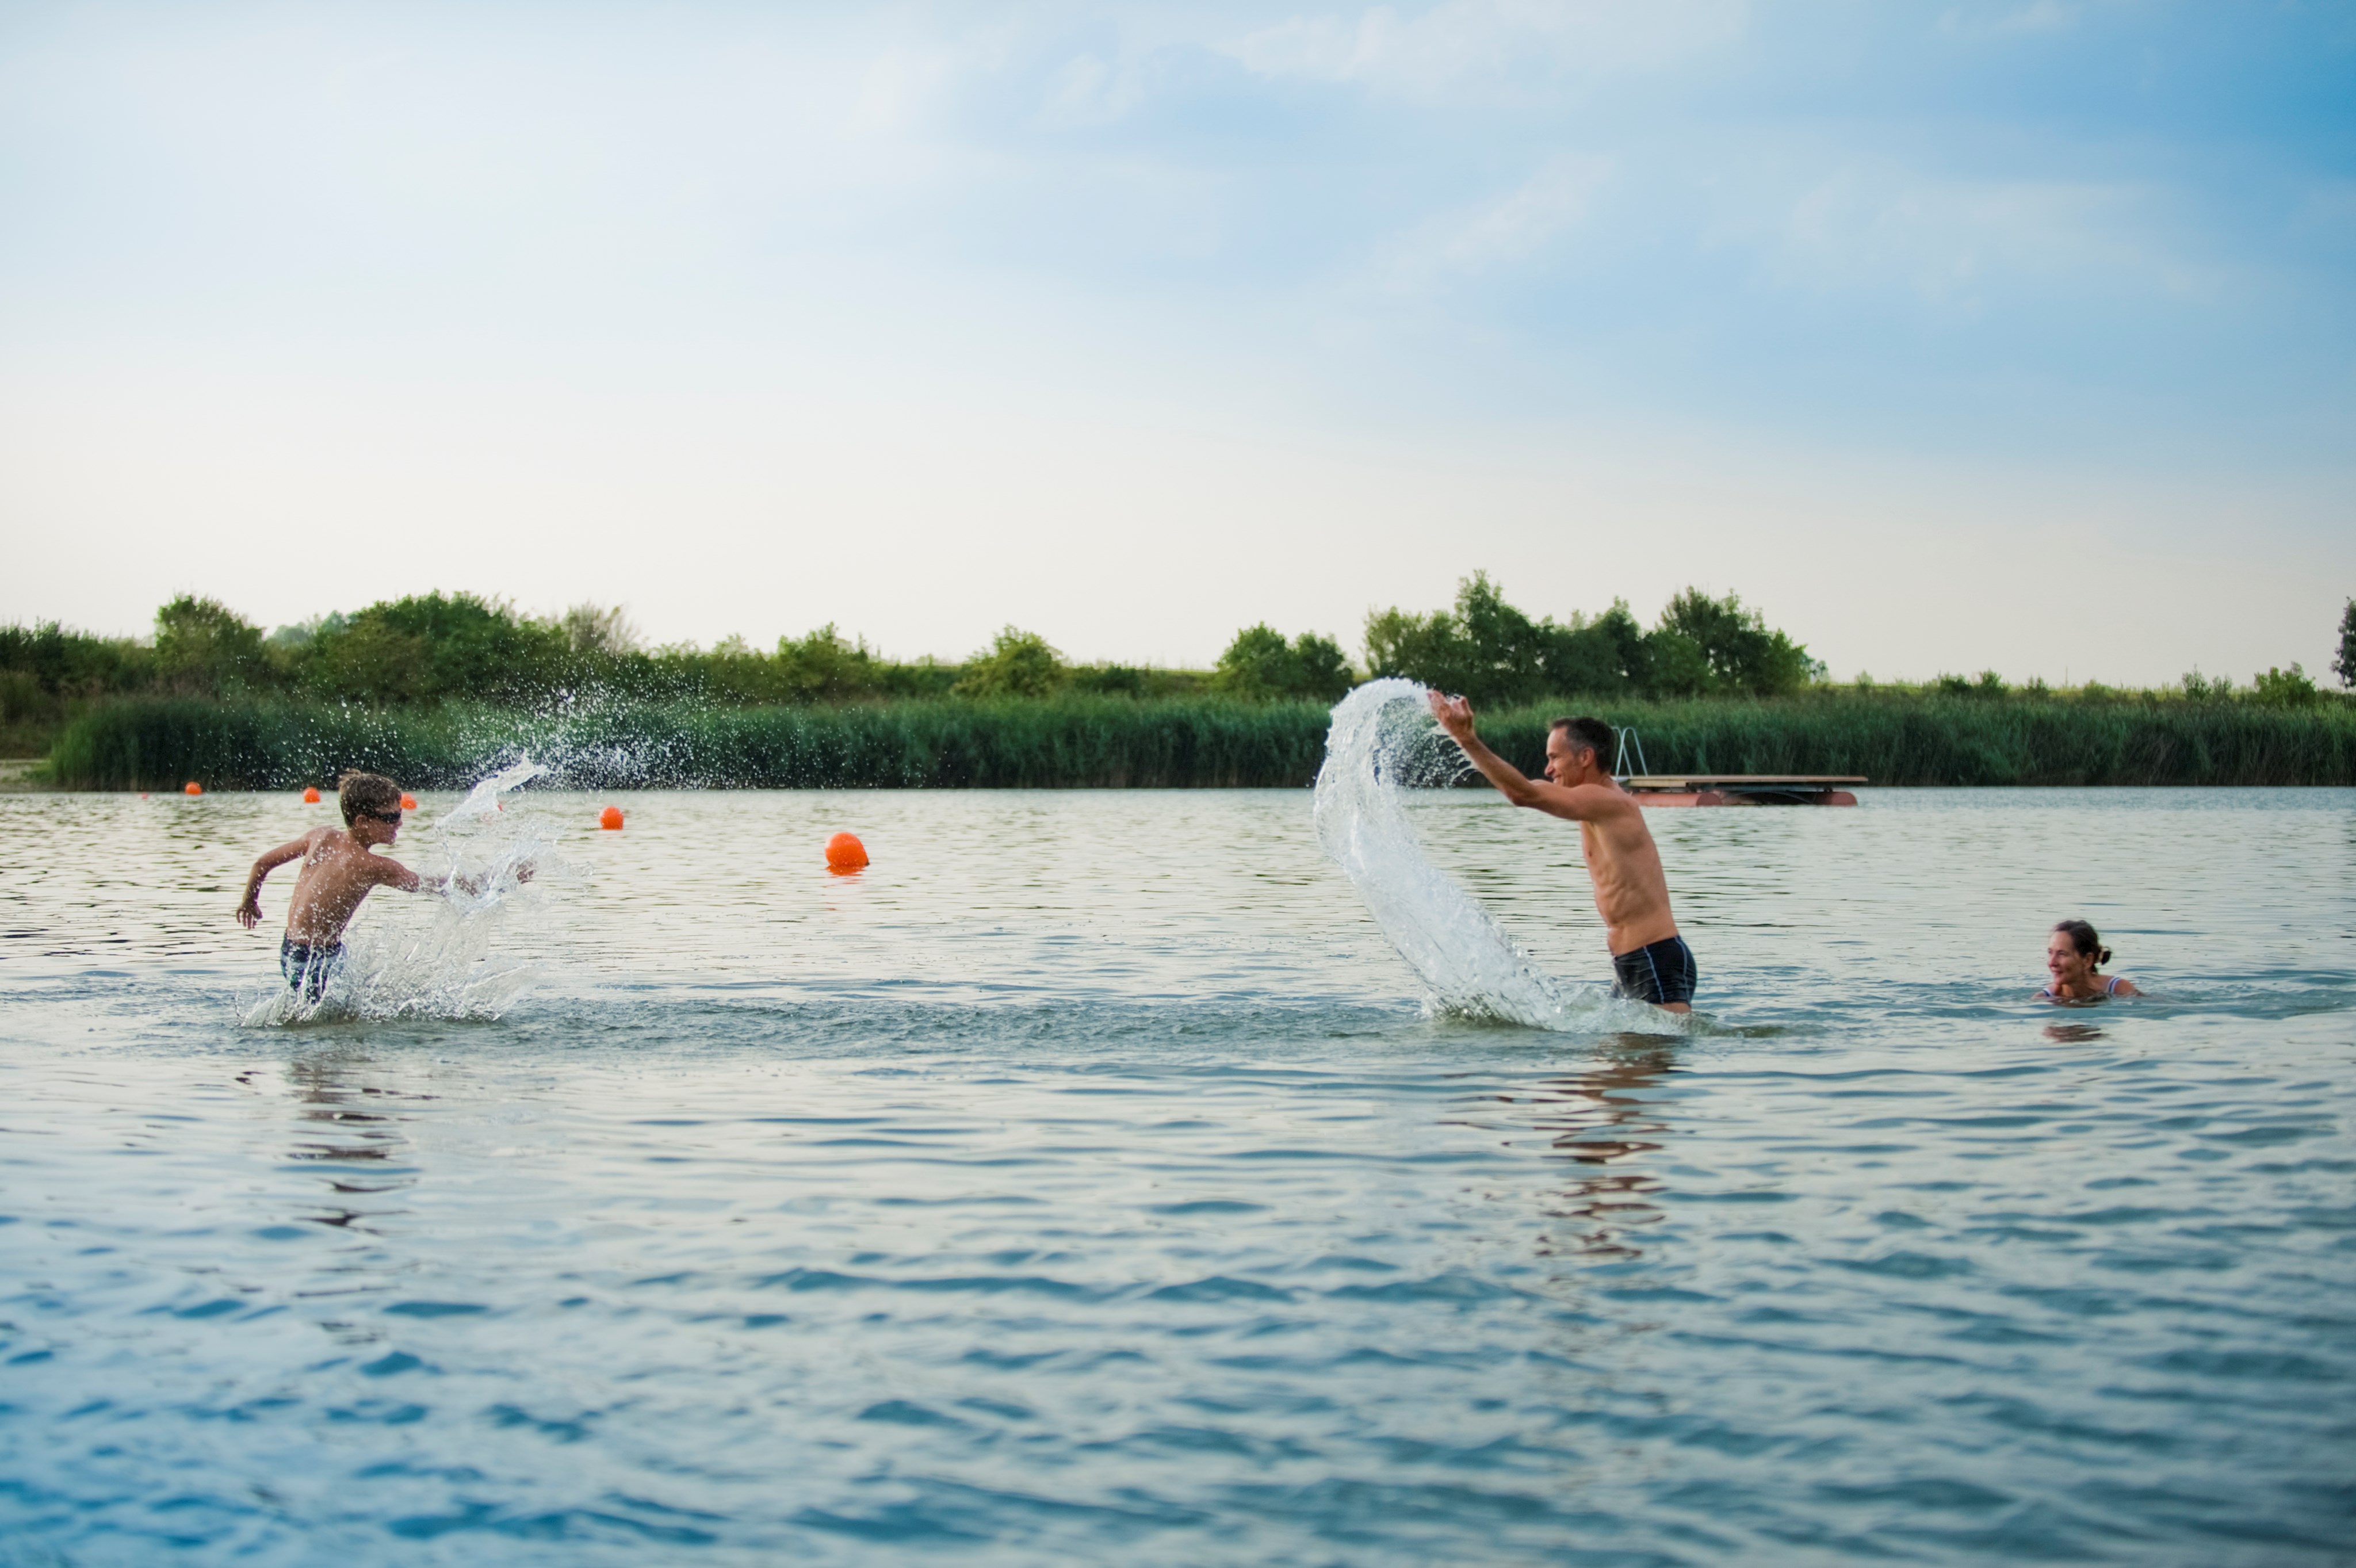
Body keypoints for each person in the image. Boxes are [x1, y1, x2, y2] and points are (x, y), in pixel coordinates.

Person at [1426, 695, 1695, 1012]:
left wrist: (1466, 739)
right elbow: (1531, 786)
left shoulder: (1607, 802)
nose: (1549, 768)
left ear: (1585, 757)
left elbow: (1522, 793)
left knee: (1651, 1056)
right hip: (1636, 961)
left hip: (1653, 956)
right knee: (1610, 1057)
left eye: (1555, 757)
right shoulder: (1595, 801)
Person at [234, 771, 519, 1000]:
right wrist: (495, 881)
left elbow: (261, 864)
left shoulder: (320, 837)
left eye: (400, 815)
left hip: (292, 949)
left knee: (346, 1011)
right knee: (324, 1027)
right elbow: (438, 886)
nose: (399, 824)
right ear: (362, 821)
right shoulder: (373, 866)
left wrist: (250, 902)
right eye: (391, 818)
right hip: (312, 960)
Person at [2037, 919, 2139, 1001]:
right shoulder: (2046, 998)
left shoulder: (2118, 989)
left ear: (2087, 960)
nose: (2052, 963)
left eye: (2062, 954)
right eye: (2050, 953)